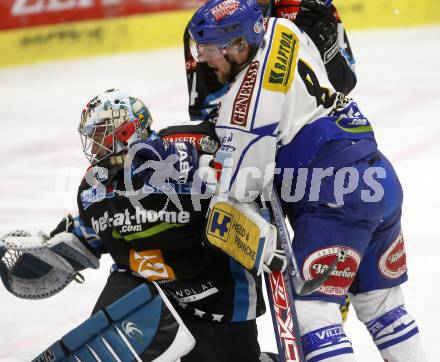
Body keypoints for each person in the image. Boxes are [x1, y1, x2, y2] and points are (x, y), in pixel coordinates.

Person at [187, 0, 428, 361]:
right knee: (384, 307)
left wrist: (210, 170)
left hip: (336, 196)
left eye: (210, 49)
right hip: (378, 178)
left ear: (239, 45)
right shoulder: (282, 31)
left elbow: (241, 189)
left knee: (314, 315)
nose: (203, 58)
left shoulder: (245, 107)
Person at [0, 89, 280, 361]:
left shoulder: (184, 161)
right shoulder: (93, 189)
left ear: (126, 132)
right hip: (141, 292)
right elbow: (87, 237)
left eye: (99, 137)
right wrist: (52, 253)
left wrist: (260, 232)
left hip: (216, 297)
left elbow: (237, 198)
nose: (93, 147)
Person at [183, 0, 356, 122]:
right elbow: (208, 113)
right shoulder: (208, 28)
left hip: (309, 129)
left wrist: (326, 53)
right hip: (247, 137)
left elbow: (344, 86)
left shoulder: (310, 10)